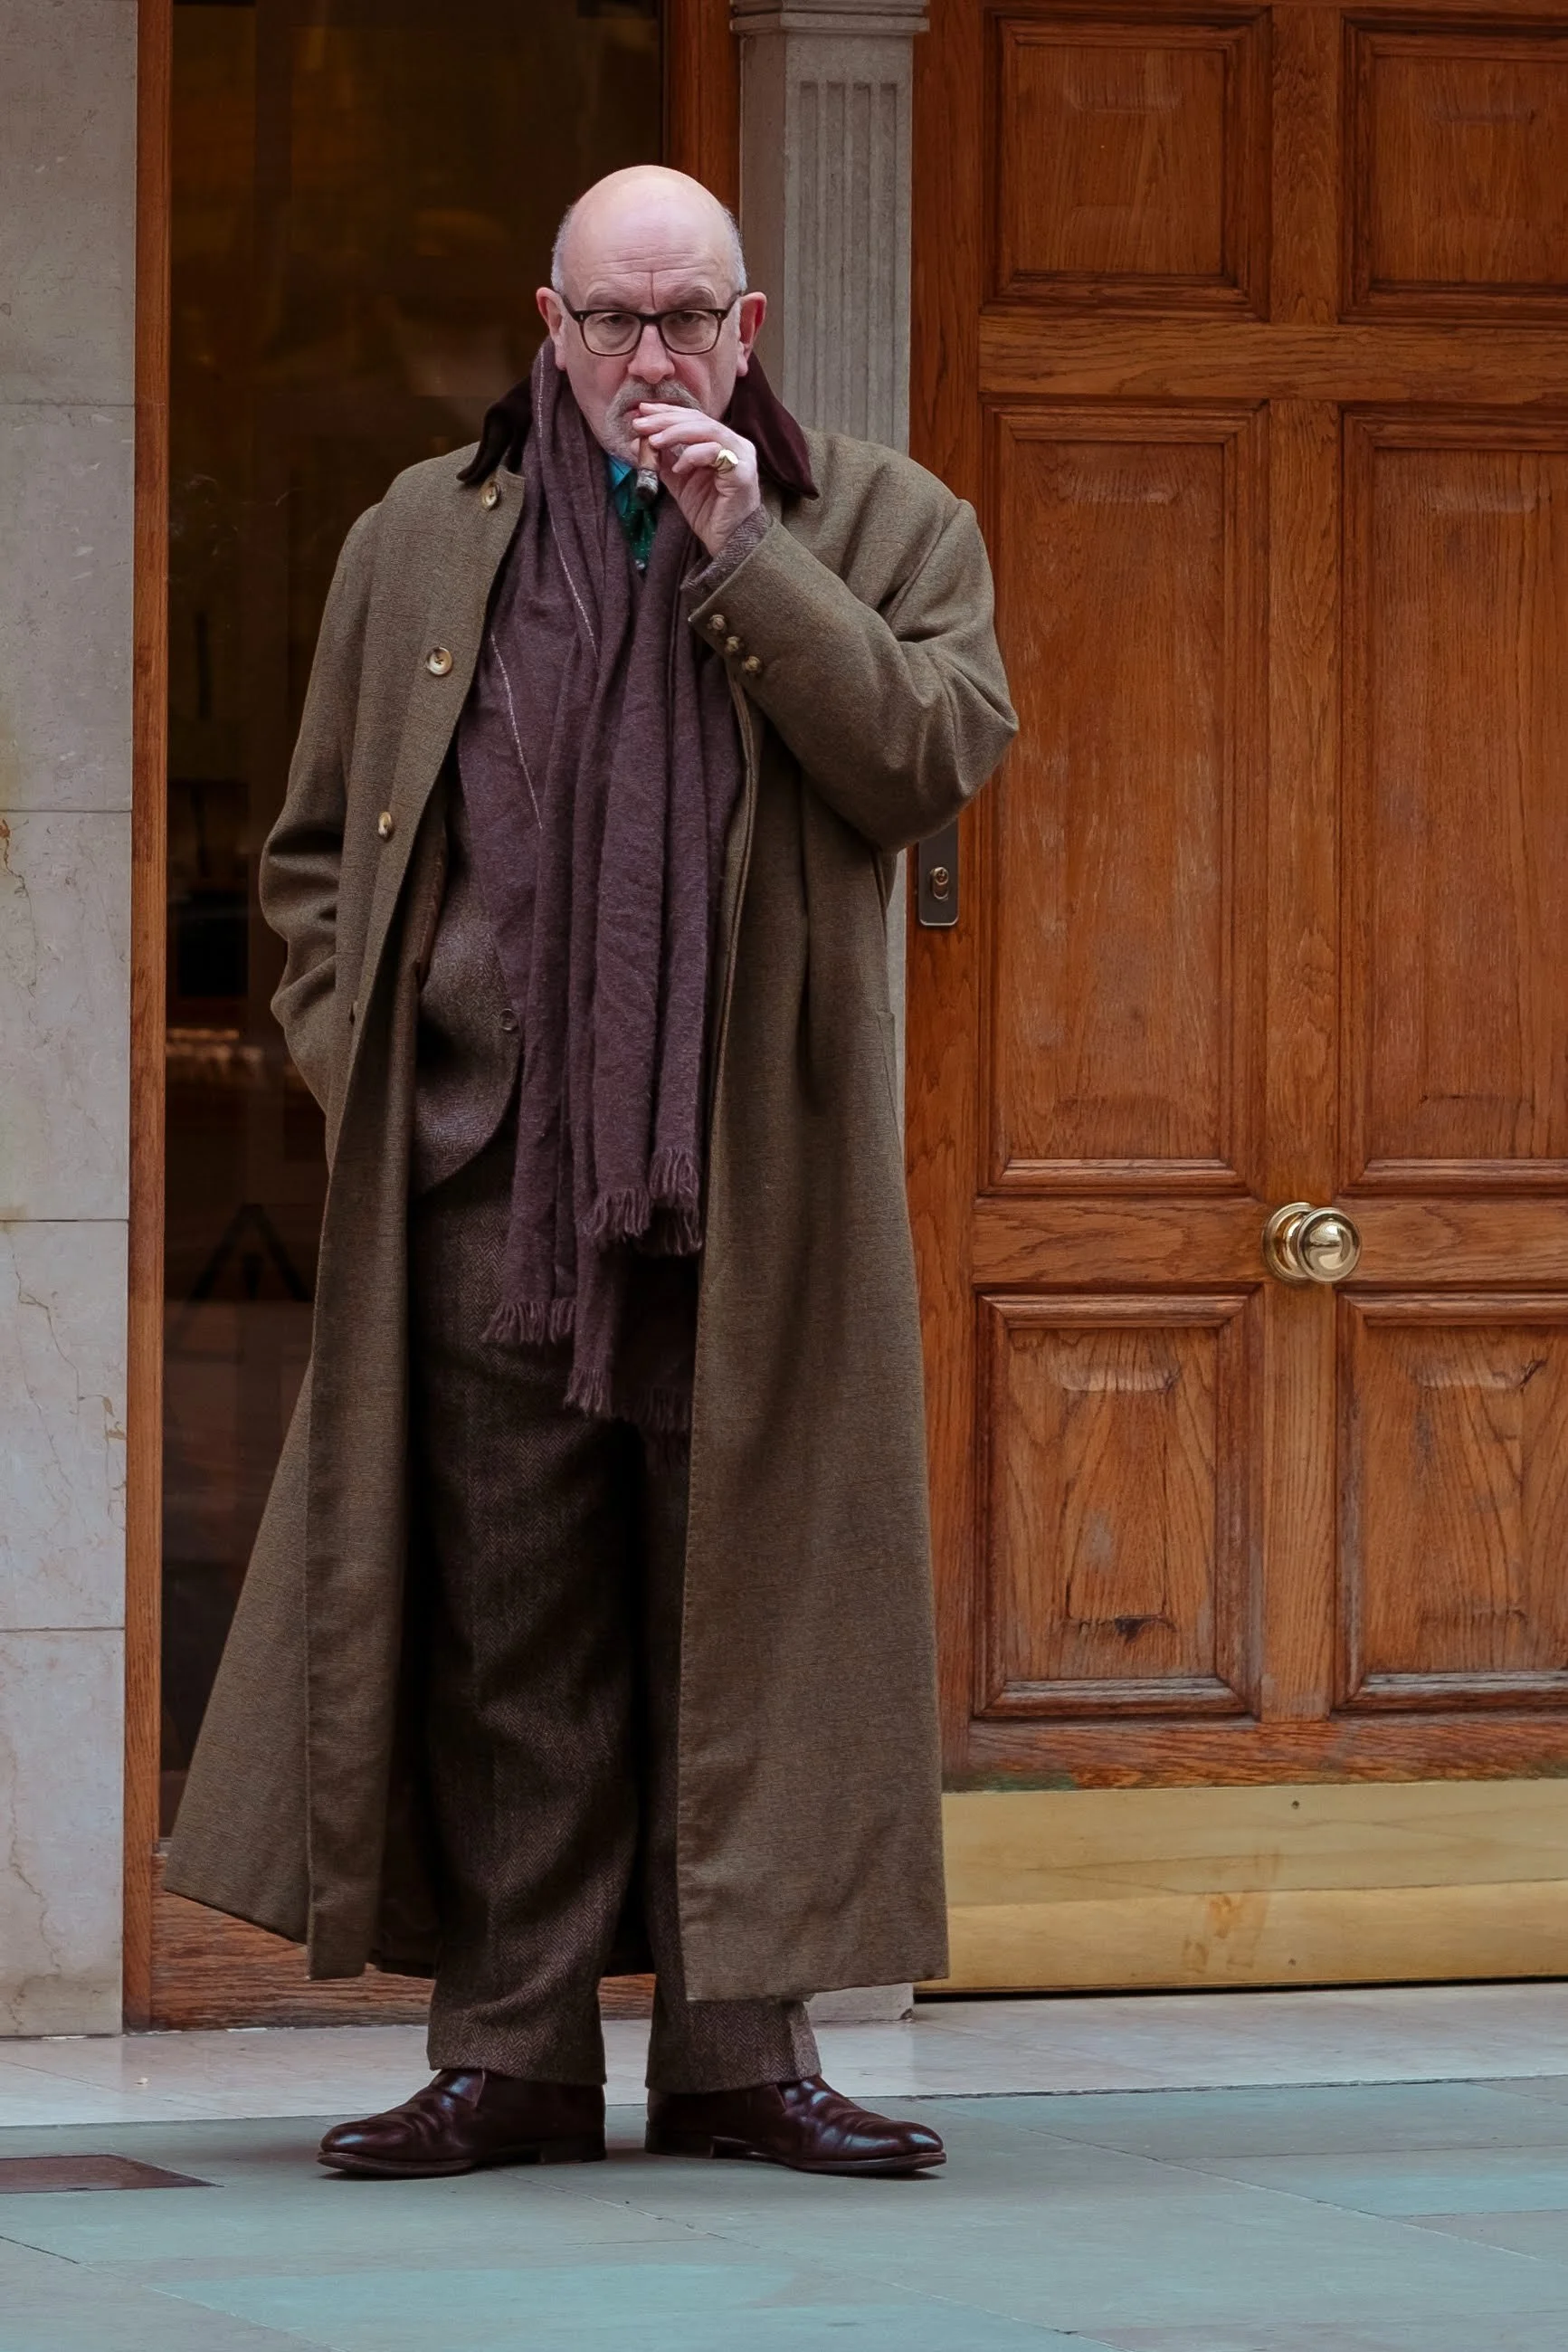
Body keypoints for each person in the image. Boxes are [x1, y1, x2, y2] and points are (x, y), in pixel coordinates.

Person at [166, 166, 1016, 2180]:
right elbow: (311, 859)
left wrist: (745, 557)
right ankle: (514, 2053)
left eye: (691, 319)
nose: (654, 360)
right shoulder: (412, 534)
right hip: (485, 1187)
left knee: (745, 1619)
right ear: (543, 324)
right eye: (616, 322)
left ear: (745, 330)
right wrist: (379, 1063)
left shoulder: (880, 522)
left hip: (760, 1192)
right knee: (508, 1629)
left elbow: (927, 754)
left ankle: (742, 2058)